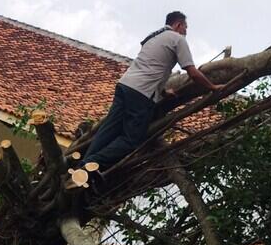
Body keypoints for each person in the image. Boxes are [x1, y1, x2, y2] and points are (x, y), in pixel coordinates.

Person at [81, 11, 223, 172]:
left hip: (125, 84)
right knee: (131, 140)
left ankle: (82, 166)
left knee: (109, 129)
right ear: (178, 25)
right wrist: (212, 87)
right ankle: (91, 165)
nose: (186, 32)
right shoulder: (177, 39)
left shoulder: (153, 37)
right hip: (141, 93)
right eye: (186, 28)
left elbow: (153, 66)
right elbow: (192, 72)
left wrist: (162, 91)